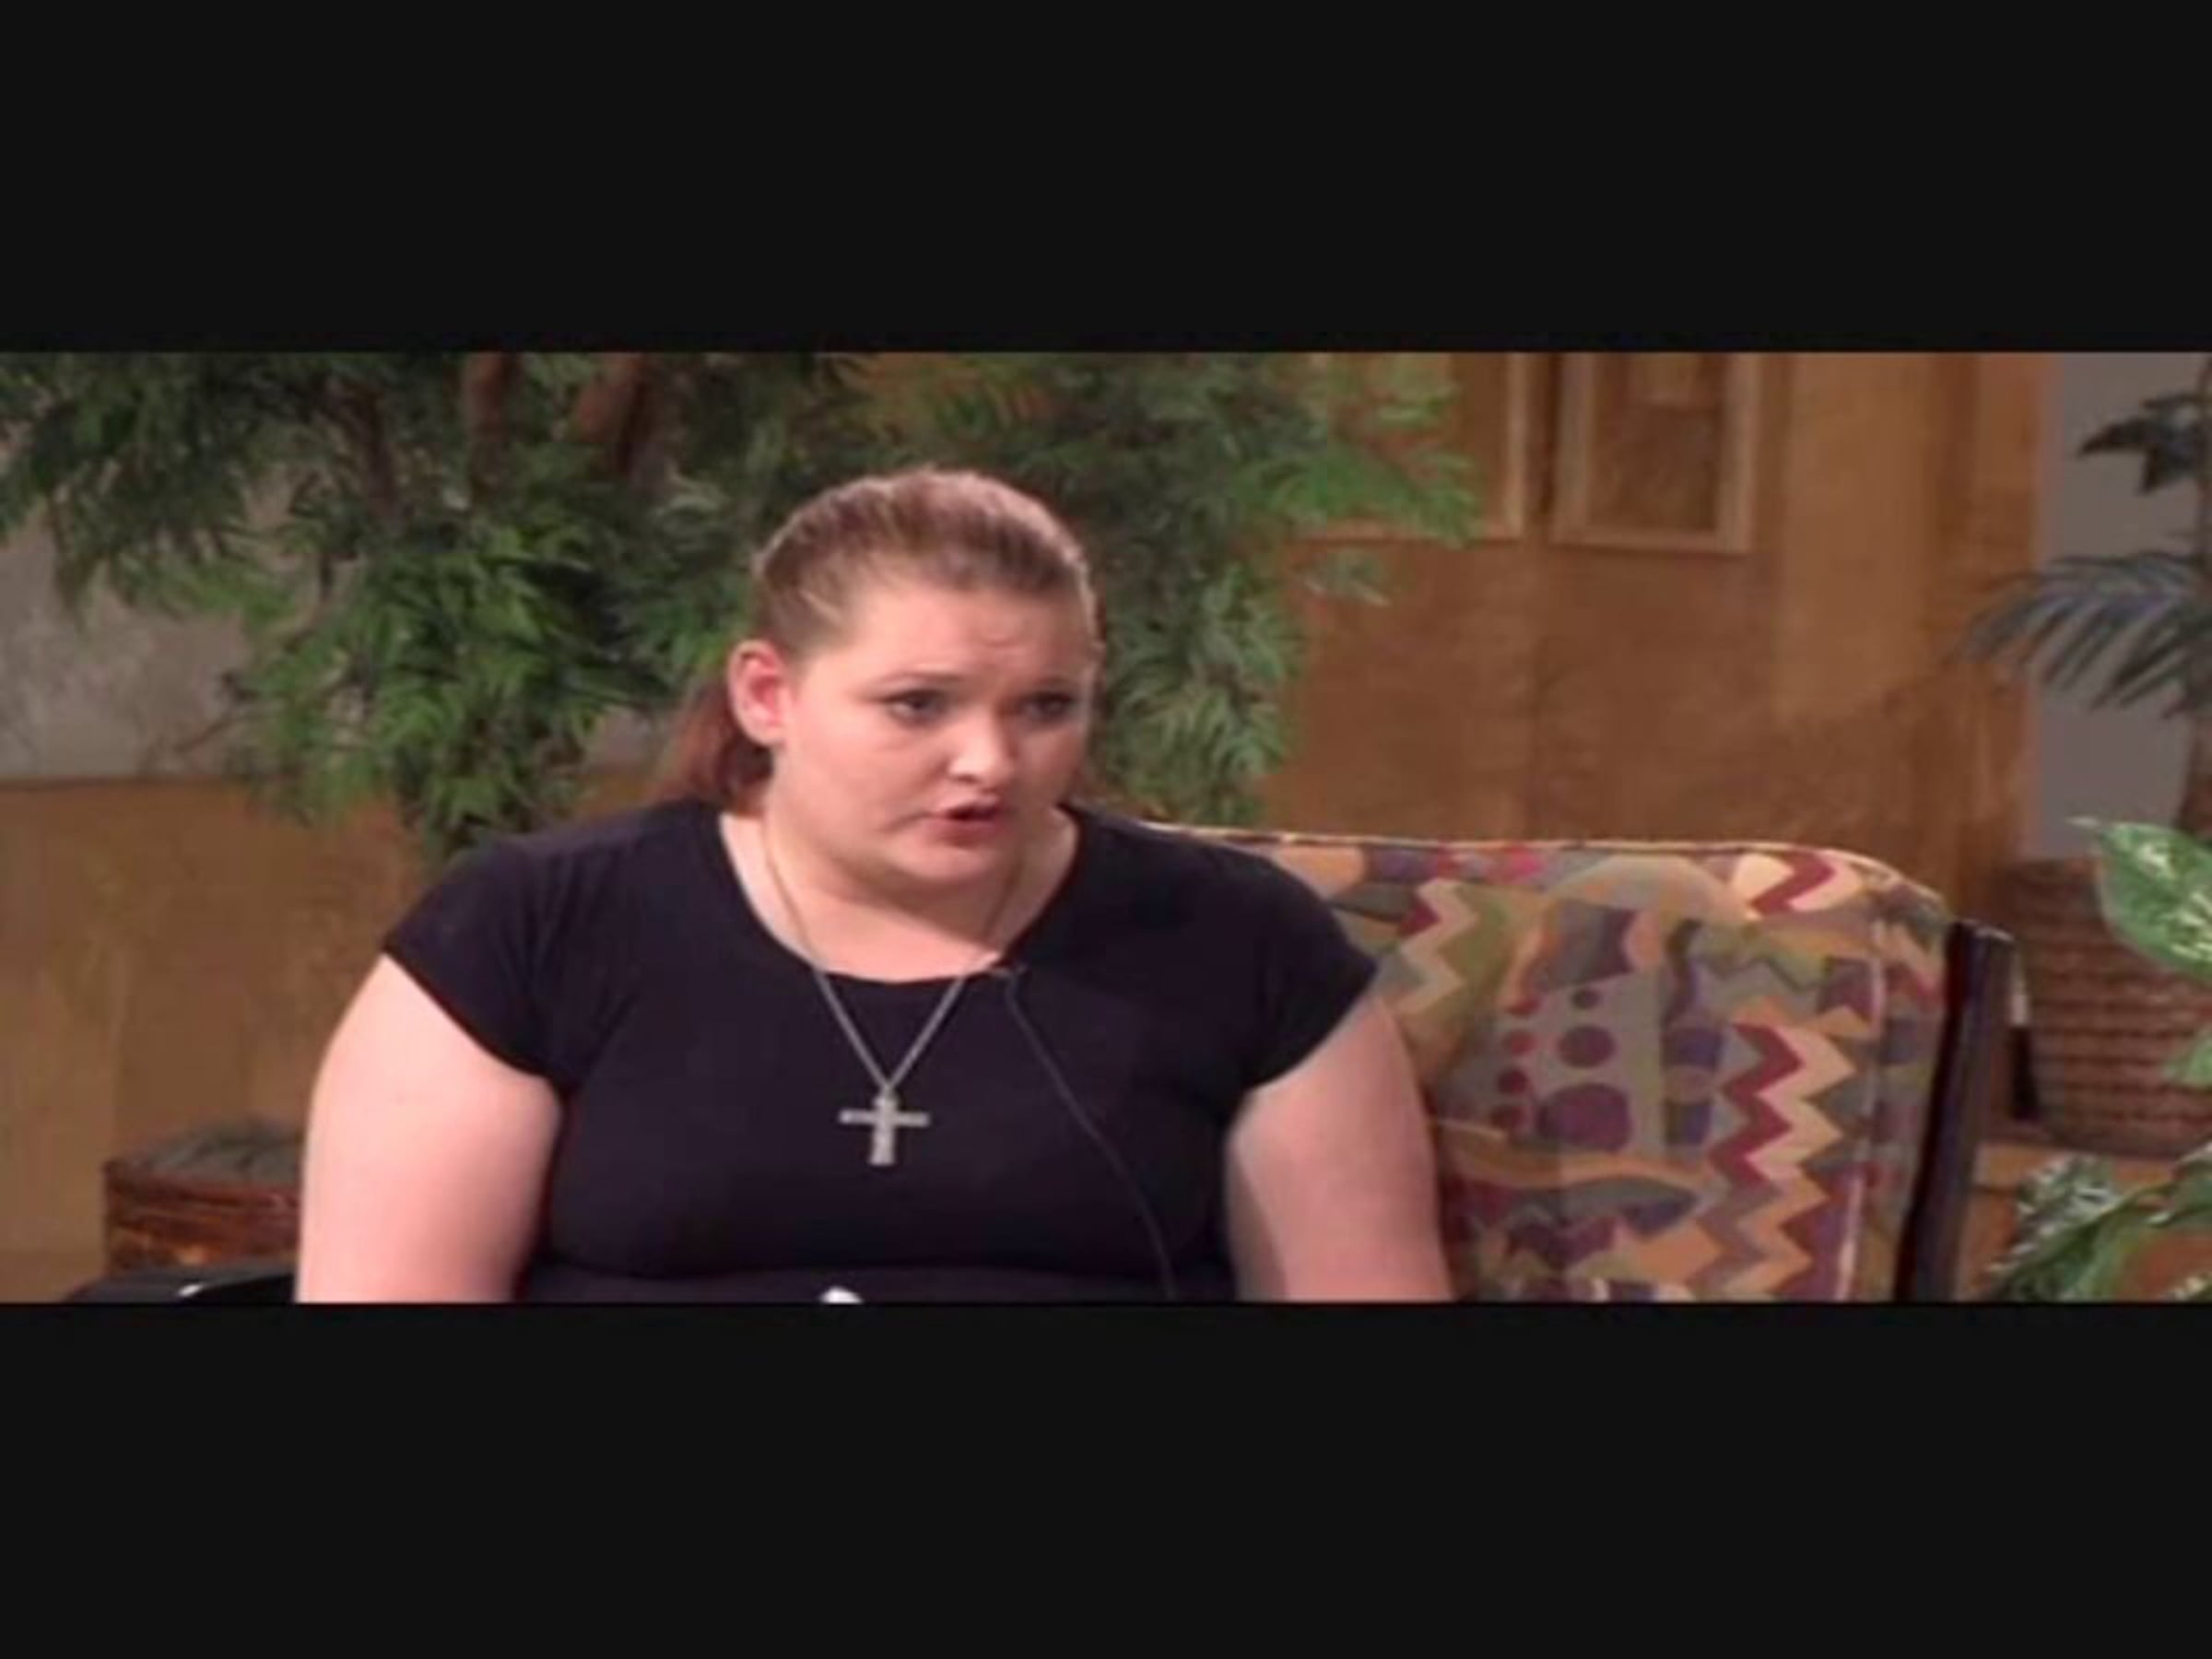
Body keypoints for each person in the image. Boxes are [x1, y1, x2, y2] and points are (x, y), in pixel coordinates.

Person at [294, 467, 1451, 1301]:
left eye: (1046, 707)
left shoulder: (1239, 938)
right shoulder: (533, 924)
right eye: (917, 705)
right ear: (767, 695)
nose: (990, 761)